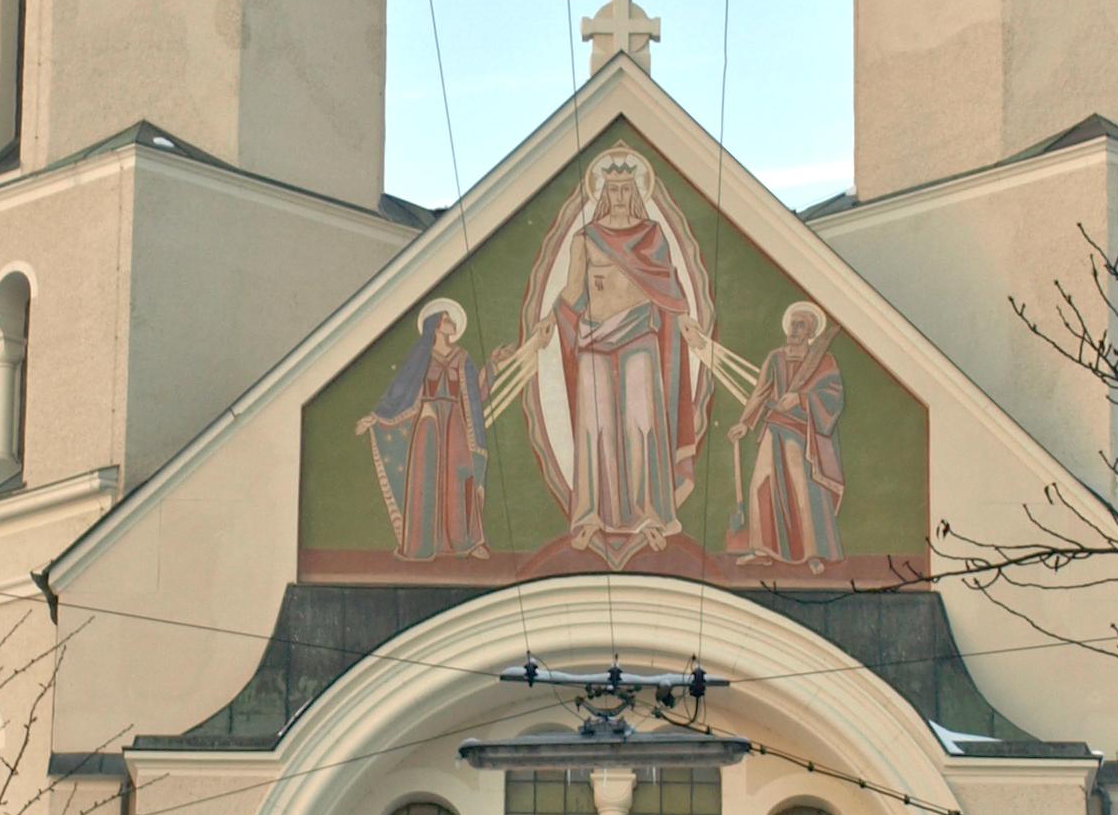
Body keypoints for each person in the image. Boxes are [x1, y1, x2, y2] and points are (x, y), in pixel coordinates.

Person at [501, 150, 716, 565]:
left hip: (640, 336)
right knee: (593, 427)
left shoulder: (653, 235)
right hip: (593, 339)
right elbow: (574, 290)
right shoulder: (586, 238)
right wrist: (550, 319)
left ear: (635, 192)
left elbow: (668, 288)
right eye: (612, 190)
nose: (618, 196)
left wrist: (685, 319)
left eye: (624, 189)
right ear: (603, 194)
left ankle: (651, 516)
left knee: (643, 424)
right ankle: (589, 517)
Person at [359, 298, 488, 559]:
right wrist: (375, 417)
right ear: (437, 326)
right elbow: (400, 391)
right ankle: (422, 545)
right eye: (447, 319)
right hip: (428, 422)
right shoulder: (422, 358)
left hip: (455, 425)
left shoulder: (462, 358)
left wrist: (493, 367)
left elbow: (476, 393)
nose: (452, 324)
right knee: (426, 480)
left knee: (460, 477)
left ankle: (468, 542)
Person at [728, 302, 846, 568]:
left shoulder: (823, 361)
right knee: (761, 483)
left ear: (811, 331)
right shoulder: (776, 358)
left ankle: (812, 555)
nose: (794, 329)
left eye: (800, 324)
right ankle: (762, 550)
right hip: (774, 427)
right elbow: (760, 391)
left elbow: (833, 396)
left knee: (802, 489)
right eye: (792, 323)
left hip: (802, 434)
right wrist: (745, 423)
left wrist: (801, 399)